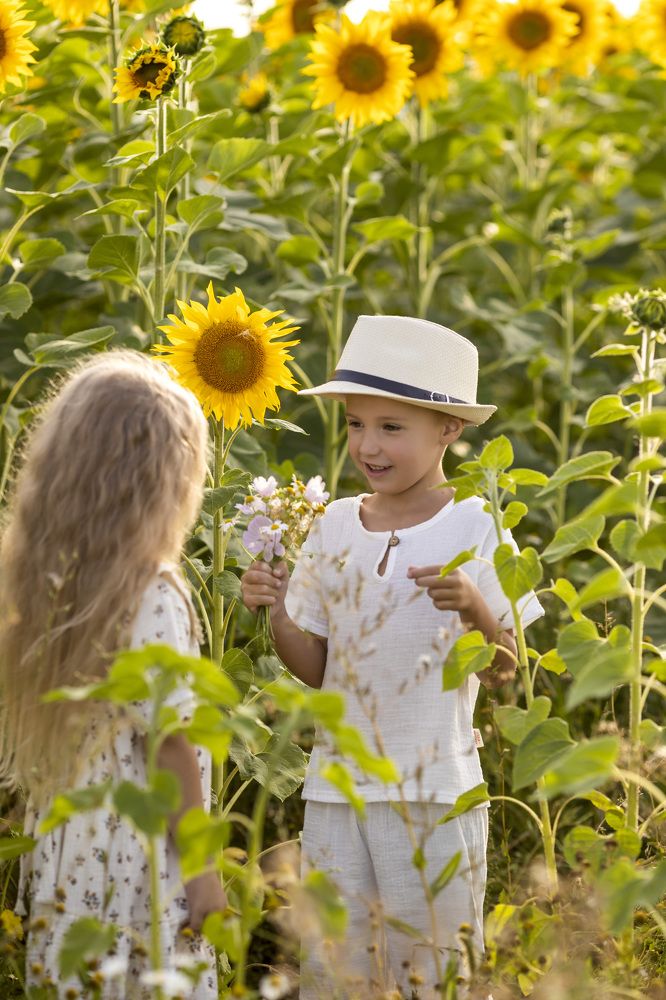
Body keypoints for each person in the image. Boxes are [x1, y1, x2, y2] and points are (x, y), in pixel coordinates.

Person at [241, 315, 544, 999]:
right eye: (355, 425)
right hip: (336, 790)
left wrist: (473, 607)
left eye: (391, 427)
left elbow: (504, 671)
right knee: (333, 968)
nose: (368, 446)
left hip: (433, 791)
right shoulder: (337, 524)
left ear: (449, 430)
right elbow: (319, 670)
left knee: (430, 966)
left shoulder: (474, 525)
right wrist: (278, 609)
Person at [0, 351, 226, 997]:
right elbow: (169, 741)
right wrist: (203, 871)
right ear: (166, 479)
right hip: (147, 854)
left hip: (72, 841)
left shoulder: (49, 583)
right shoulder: (152, 593)